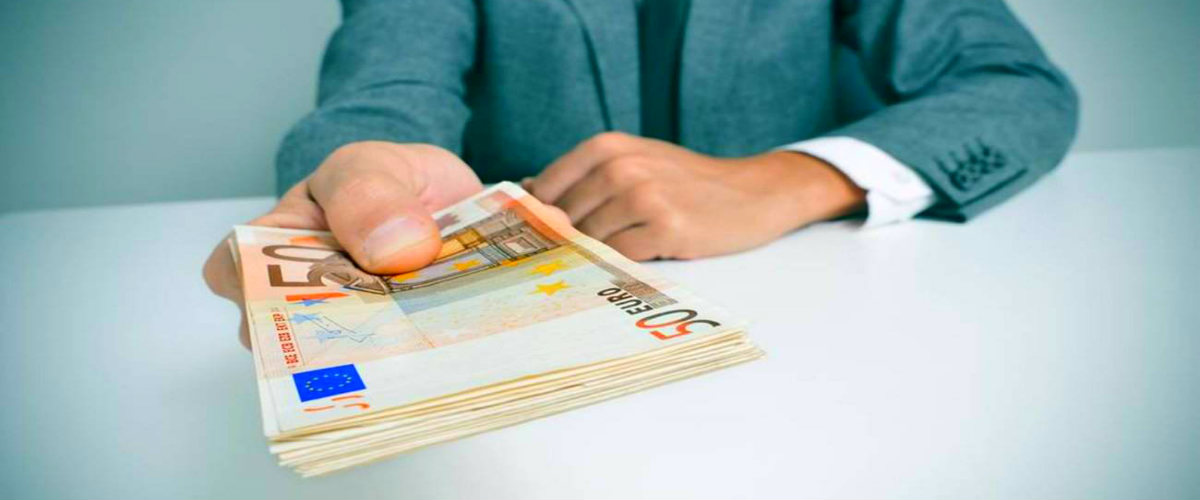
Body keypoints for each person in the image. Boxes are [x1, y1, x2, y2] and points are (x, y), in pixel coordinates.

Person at [205, 0, 1077, 337]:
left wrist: (791, 180)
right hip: (537, 334)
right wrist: (355, 172)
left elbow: (1016, 86)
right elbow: (381, 94)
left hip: (823, 319)